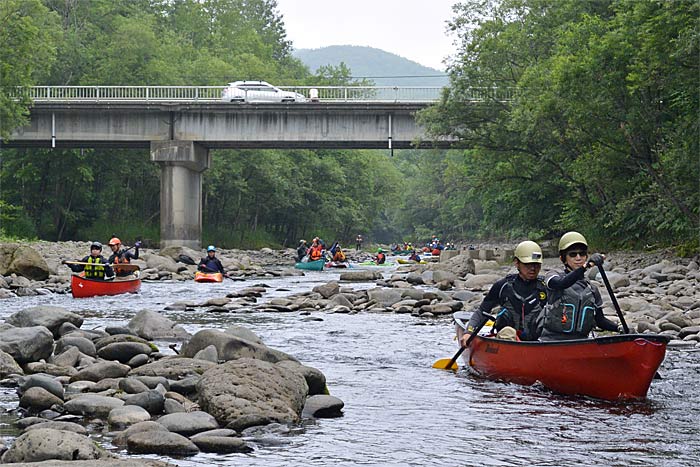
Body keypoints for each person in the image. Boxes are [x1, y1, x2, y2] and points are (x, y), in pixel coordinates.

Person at [460, 241, 548, 345]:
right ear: (516, 263)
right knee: (508, 332)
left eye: (536, 264)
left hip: (538, 341)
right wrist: (469, 332)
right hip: (507, 341)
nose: (533, 268)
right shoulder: (503, 286)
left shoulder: (546, 287)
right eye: (528, 264)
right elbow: (482, 311)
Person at [537, 232, 621, 341]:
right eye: (573, 254)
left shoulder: (591, 289)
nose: (578, 258)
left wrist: (618, 328)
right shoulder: (553, 276)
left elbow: (600, 321)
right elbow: (561, 284)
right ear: (563, 258)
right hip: (551, 340)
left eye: (582, 254)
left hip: (581, 342)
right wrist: (586, 266)